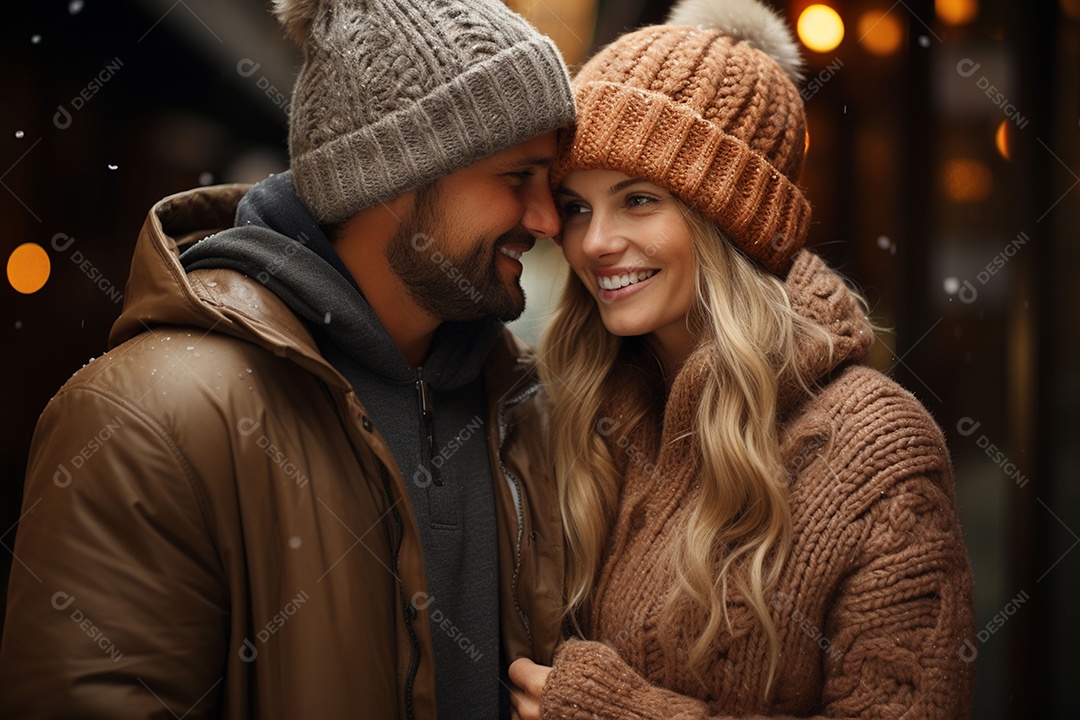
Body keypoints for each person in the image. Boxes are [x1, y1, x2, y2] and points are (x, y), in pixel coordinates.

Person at [0, 0, 574, 717]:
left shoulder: (523, 406)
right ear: (392, 173)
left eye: (553, 185)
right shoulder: (146, 419)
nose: (548, 220)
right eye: (517, 177)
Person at [508, 0, 976, 717]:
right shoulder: (574, 403)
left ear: (729, 223)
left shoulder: (876, 451)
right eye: (576, 206)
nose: (594, 242)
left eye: (638, 200)